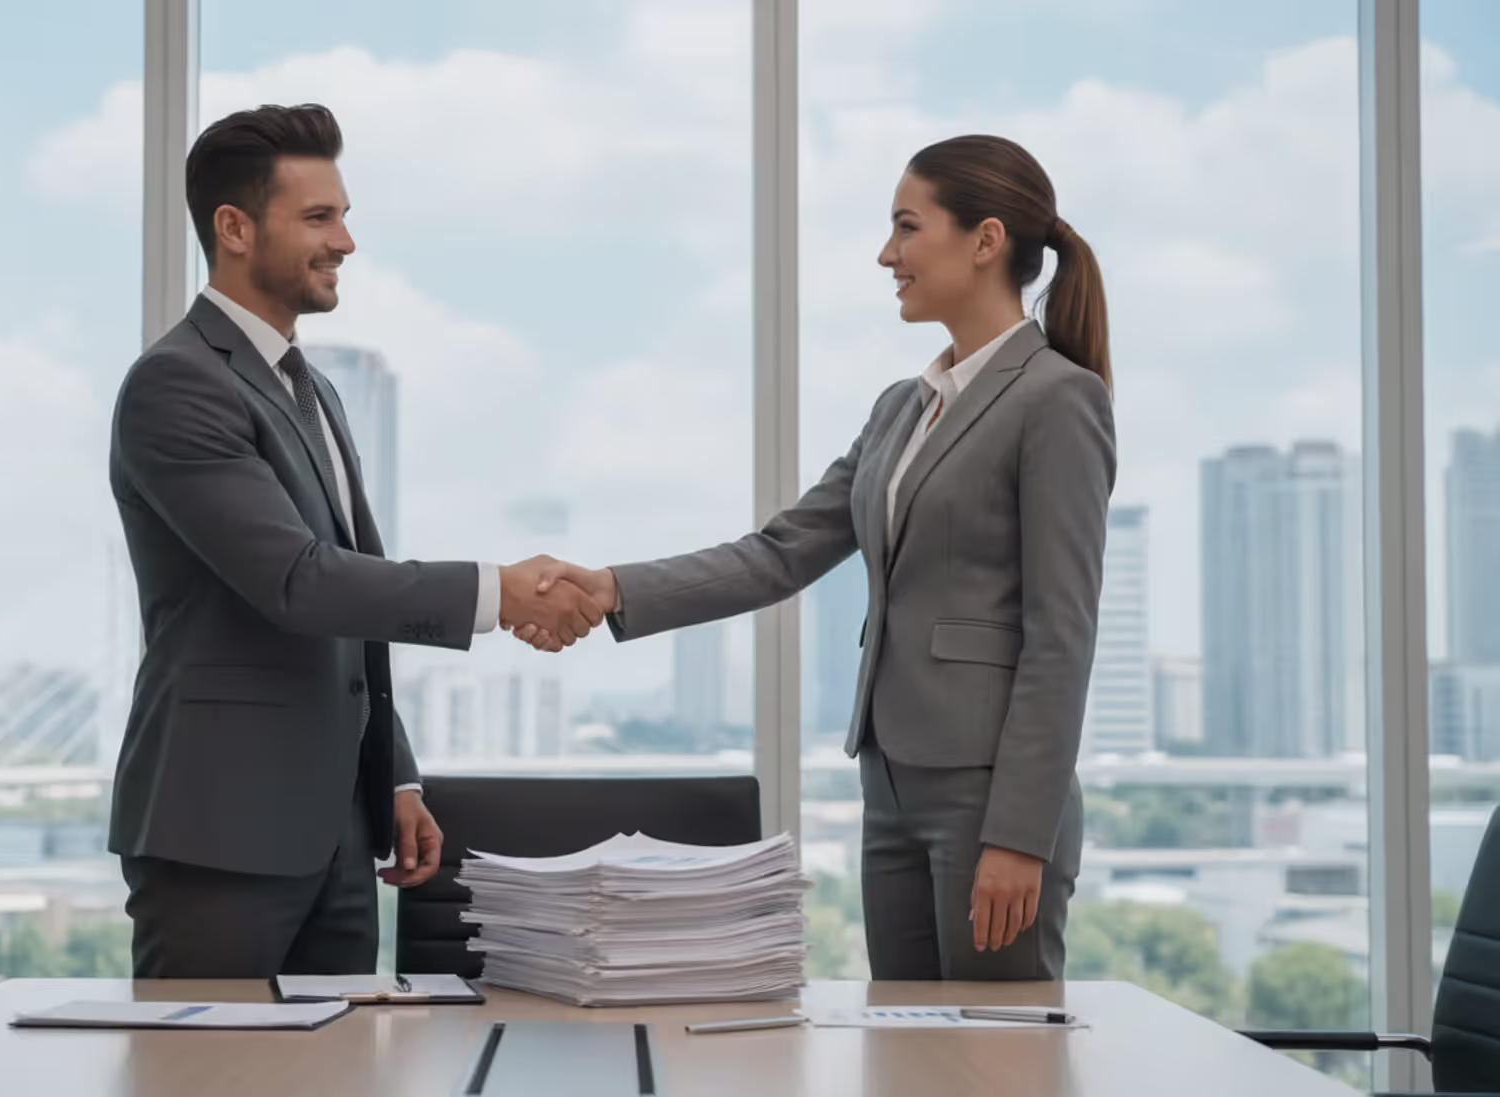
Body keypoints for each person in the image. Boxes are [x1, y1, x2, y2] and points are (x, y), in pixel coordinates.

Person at [509, 135, 1115, 980]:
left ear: (984, 240)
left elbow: (1062, 634)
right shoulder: (903, 407)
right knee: (903, 1046)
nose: (887, 254)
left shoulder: (1057, 398)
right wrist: (611, 588)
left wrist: (1021, 833)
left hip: (989, 796)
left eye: (907, 227)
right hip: (889, 783)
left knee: (996, 1055)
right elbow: (779, 554)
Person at [108, 103, 604, 978]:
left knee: (339, 1067)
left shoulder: (316, 392)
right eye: (318, 217)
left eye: (343, 215)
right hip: (219, 829)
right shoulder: (176, 385)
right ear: (233, 228)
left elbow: (353, 608)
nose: (345, 241)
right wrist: (499, 591)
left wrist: (395, 776)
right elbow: (300, 584)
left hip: (337, 833)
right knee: (205, 1074)